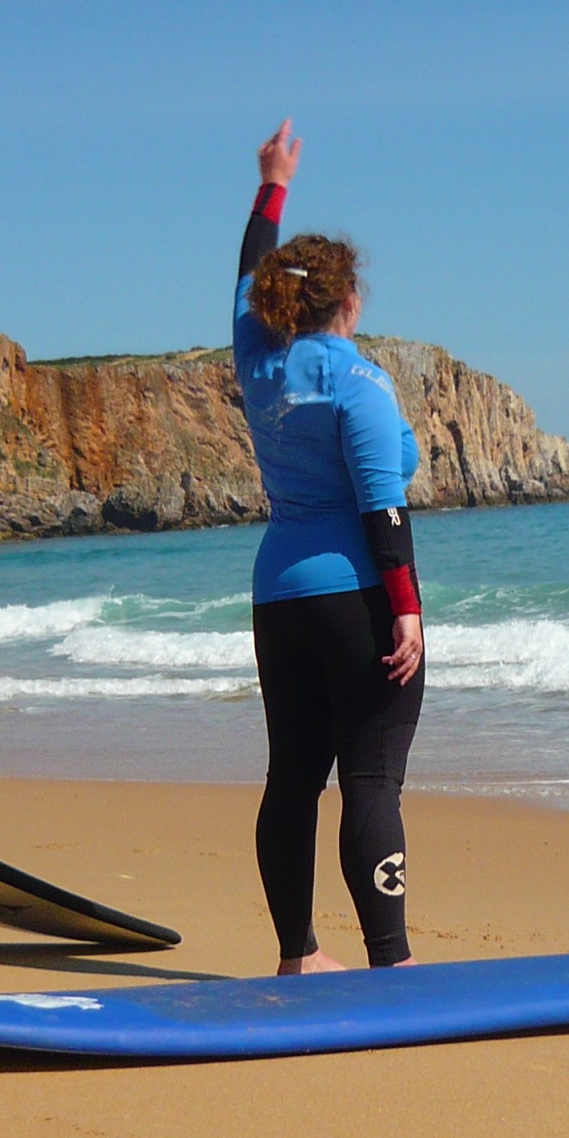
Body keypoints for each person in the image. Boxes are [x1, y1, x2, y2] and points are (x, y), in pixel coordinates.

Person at [234, 120, 424, 974]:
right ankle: (391, 960)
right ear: (349, 302)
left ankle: (297, 956)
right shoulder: (360, 383)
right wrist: (407, 610)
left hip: (279, 596)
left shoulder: (257, 360)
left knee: (293, 778)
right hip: (358, 600)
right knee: (372, 781)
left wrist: (272, 183)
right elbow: (383, 509)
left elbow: (247, 275)